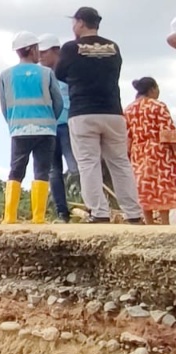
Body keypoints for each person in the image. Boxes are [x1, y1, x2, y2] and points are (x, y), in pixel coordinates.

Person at [56, 7, 144, 224]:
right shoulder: (113, 47)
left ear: (80, 22)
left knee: (88, 163)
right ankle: (133, 212)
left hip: (83, 112)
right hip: (113, 111)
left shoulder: (70, 48)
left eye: (74, 23)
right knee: (120, 162)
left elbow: (59, 74)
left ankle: (99, 212)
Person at [0, 31, 63, 224]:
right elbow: (58, 102)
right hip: (46, 130)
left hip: (19, 129)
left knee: (16, 170)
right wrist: (51, 119)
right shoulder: (46, 73)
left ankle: (9, 217)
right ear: (32, 49)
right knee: (42, 171)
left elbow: (4, 106)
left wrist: (13, 122)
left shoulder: (6, 75)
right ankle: (38, 218)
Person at [39, 34, 80, 223]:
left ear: (56, 51)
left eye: (44, 52)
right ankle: (62, 212)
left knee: (76, 168)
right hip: (49, 128)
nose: (41, 57)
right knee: (54, 171)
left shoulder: (68, 73)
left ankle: (94, 207)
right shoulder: (41, 76)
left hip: (68, 125)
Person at [125, 77, 176, 225]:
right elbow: (168, 133)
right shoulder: (158, 106)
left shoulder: (129, 109)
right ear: (152, 89)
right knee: (161, 186)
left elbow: (127, 136)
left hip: (138, 151)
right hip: (159, 152)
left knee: (143, 187)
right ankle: (165, 223)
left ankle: (149, 223)